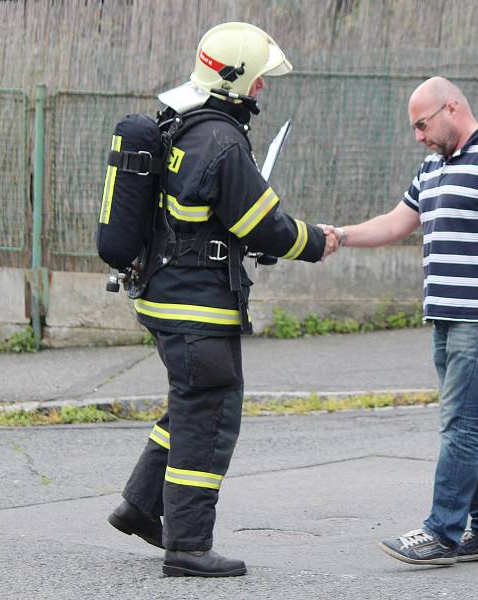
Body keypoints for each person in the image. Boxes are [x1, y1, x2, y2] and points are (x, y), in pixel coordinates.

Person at [107, 22, 337, 578]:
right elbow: (266, 227)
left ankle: (140, 505)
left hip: (163, 296)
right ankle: (187, 546)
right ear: (236, 80)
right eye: (258, 80)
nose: (262, 90)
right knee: (209, 412)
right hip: (197, 306)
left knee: (192, 401)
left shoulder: (179, 123)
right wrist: (317, 241)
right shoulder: (222, 141)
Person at [321, 76, 478, 566]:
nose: (418, 136)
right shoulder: (434, 166)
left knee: (460, 423)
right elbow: (398, 222)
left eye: (422, 125)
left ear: (451, 108)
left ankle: (442, 532)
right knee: (474, 421)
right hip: (448, 314)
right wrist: (339, 235)